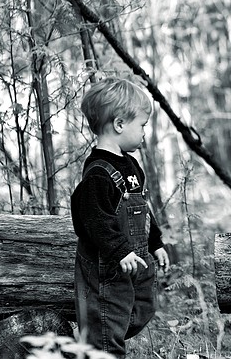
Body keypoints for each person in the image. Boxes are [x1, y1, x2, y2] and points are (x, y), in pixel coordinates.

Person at [71, 76, 169, 358]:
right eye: (142, 126)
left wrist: (155, 243)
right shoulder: (98, 174)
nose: (144, 133)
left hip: (133, 262)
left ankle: (93, 338)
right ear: (119, 124)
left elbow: (141, 210)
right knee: (107, 327)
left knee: (141, 310)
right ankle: (97, 344)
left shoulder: (131, 165)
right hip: (107, 268)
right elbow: (94, 220)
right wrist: (119, 250)